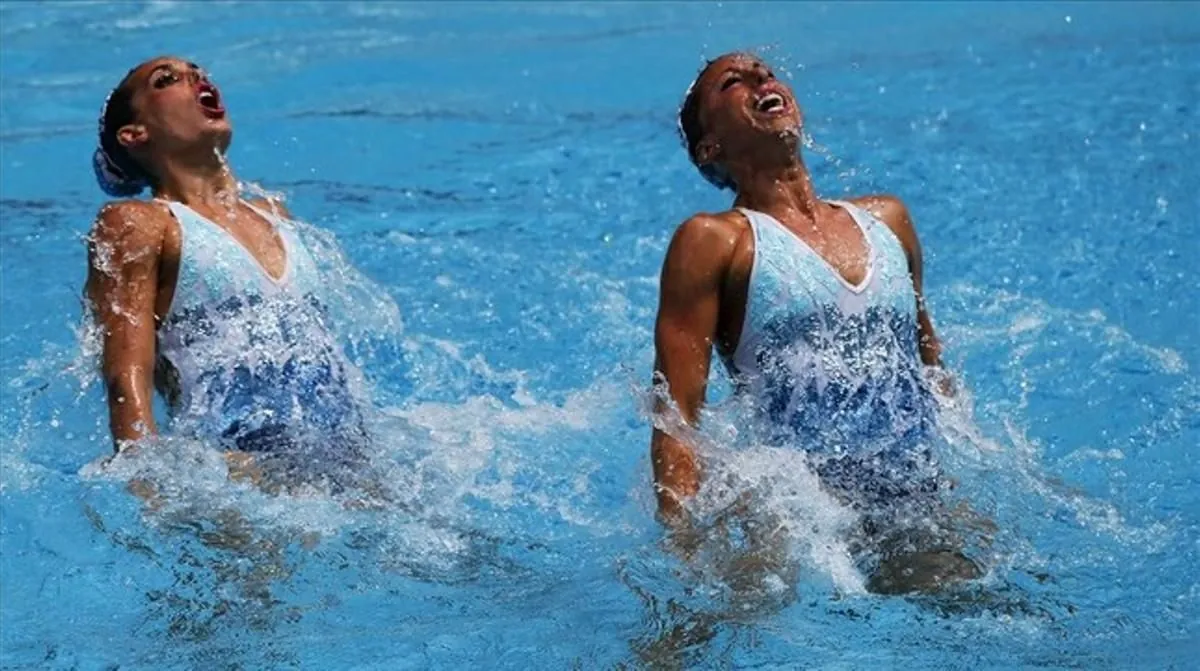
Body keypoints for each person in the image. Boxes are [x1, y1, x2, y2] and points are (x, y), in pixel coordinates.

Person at [649, 52, 980, 593]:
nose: (761, 78)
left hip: (921, 499)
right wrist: (680, 552)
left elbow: (931, 366)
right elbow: (677, 417)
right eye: (733, 82)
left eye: (765, 71)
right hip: (809, 518)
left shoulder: (888, 220)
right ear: (710, 148)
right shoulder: (716, 241)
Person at [85, 56, 369, 493]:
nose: (195, 78)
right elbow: (126, 366)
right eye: (167, 80)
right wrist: (144, 470)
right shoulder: (138, 223)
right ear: (134, 135)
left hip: (348, 456)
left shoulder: (278, 217)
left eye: (196, 71)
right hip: (241, 470)